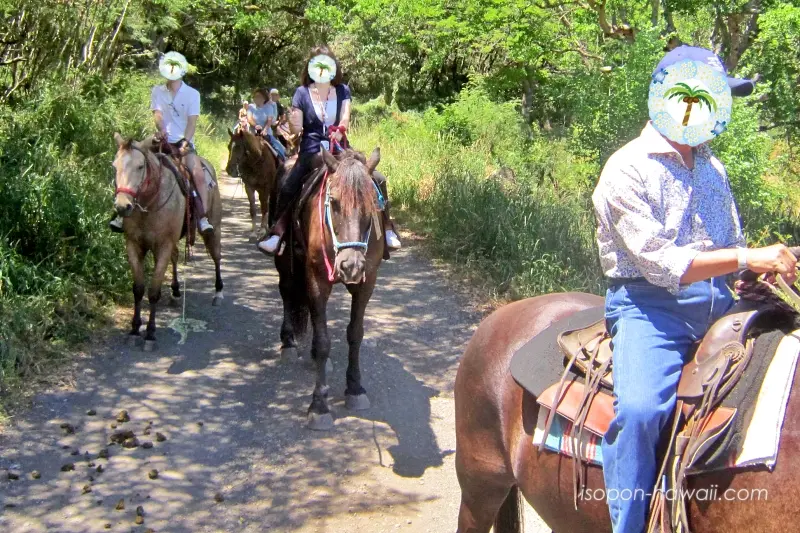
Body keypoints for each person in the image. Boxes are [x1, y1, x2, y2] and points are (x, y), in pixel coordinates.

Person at [592, 45, 797, 533]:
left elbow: (730, 248)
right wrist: (748, 257)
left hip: (717, 302)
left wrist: (761, 273)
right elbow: (665, 264)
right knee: (641, 412)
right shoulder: (626, 169)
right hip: (649, 308)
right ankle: (628, 523)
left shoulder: (713, 169)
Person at [258, 45, 402, 255]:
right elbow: (297, 129)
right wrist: (292, 122)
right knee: (288, 184)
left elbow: (345, 116)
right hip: (311, 149)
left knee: (377, 178)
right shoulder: (301, 93)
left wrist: (340, 130)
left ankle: (387, 229)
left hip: (341, 149)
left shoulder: (343, 90)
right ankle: (278, 232)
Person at [110, 51, 213, 235]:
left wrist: (186, 141)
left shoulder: (192, 94)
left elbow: (191, 123)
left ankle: (202, 218)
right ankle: (119, 212)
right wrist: (161, 129)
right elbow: (157, 114)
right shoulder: (157, 91)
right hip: (160, 138)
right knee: (129, 160)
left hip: (183, 141)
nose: (170, 75)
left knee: (197, 174)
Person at [247, 88, 286, 161]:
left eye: (258, 97)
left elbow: (269, 120)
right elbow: (249, 118)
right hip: (252, 134)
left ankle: (282, 163)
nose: (256, 99)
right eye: (255, 97)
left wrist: (265, 130)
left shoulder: (269, 107)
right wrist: (256, 126)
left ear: (264, 98)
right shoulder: (251, 107)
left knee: (279, 149)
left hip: (266, 134)